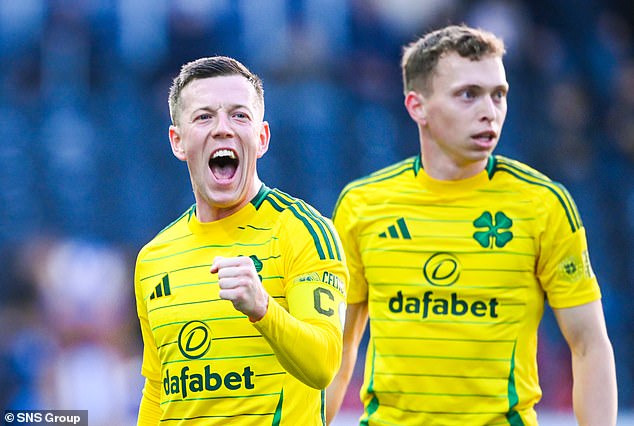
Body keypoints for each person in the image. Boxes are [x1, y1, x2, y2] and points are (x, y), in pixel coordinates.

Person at [326, 24, 617, 426]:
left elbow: (589, 345)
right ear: (417, 106)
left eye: (499, 95)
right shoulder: (362, 204)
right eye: (469, 94)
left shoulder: (543, 204)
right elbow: (337, 350)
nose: (489, 111)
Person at [134, 56, 348, 425]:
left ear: (262, 138)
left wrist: (262, 307)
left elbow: (323, 364)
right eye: (203, 117)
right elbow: (157, 390)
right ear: (178, 141)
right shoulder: (154, 257)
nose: (222, 129)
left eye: (239, 115)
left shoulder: (303, 232)